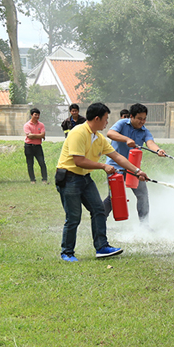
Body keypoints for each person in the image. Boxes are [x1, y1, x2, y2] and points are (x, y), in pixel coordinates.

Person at [55, 102, 148, 262]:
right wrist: (103, 166)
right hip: (69, 177)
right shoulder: (78, 132)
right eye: (105, 119)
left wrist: (137, 171)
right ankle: (67, 252)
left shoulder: (98, 138)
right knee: (74, 216)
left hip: (85, 178)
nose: (107, 123)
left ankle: (102, 247)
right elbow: (78, 160)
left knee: (98, 210)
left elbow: (117, 157)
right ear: (97, 118)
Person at [102, 103, 166, 223]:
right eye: (139, 119)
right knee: (114, 197)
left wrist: (158, 150)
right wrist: (126, 139)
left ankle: (144, 226)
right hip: (115, 167)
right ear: (131, 116)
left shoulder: (144, 131)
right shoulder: (122, 123)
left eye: (144, 119)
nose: (142, 122)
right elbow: (110, 133)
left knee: (143, 196)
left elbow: (150, 143)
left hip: (133, 169)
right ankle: (99, 221)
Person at [24, 108, 48, 184]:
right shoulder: (27, 125)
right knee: (30, 163)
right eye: (35, 115)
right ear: (31, 115)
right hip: (29, 146)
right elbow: (29, 136)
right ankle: (32, 180)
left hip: (38, 146)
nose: (37, 116)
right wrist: (40, 135)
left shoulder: (41, 125)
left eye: (38, 115)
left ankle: (44, 179)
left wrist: (38, 135)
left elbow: (43, 134)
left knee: (42, 163)